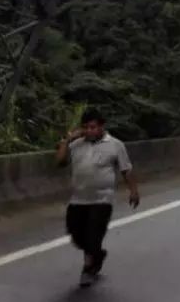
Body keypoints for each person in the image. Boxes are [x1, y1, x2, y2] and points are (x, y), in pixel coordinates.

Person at [55, 108, 140, 286]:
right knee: (76, 236)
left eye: (93, 127)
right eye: (85, 127)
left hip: (102, 200)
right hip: (78, 199)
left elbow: (126, 169)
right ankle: (97, 254)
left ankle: (89, 268)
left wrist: (133, 190)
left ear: (102, 127)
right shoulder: (76, 144)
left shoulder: (116, 145)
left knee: (93, 236)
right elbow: (60, 162)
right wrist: (67, 139)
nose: (89, 131)